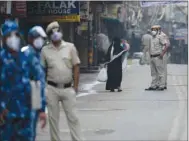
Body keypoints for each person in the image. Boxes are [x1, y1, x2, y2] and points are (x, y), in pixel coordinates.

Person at [0, 20, 46, 140]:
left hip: (25, 113)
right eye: (9, 35)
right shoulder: (1, 59)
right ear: (4, 38)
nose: (13, 38)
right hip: (6, 115)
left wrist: (41, 109)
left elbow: (38, 82)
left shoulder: (26, 57)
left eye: (16, 34)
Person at [41, 21, 83, 141]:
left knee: (73, 118)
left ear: (61, 32)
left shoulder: (70, 47)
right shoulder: (45, 50)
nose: (55, 34)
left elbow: (76, 67)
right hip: (51, 88)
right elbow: (42, 69)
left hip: (68, 88)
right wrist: (43, 88)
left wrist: (75, 86)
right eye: (52, 32)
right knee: (53, 119)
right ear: (49, 35)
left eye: (57, 31)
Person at [22, 25, 47, 140]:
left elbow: (40, 84)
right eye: (38, 37)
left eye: (42, 38)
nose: (40, 40)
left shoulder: (38, 56)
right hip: (24, 103)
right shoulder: (25, 55)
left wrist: (42, 108)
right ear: (30, 38)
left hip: (35, 101)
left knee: (31, 134)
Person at [145, 25, 167, 91]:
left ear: (158, 30)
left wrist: (162, 54)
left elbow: (165, 45)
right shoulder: (151, 38)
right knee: (153, 73)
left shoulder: (160, 37)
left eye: (155, 30)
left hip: (158, 56)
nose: (153, 31)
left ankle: (161, 85)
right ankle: (153, 85)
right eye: (152, 30)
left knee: (160, 72)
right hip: (152, 57)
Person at [158, 25, 170, 89]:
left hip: (162, 53)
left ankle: (162, 84)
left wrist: (162, 53)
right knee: (162, 69)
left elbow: (167, 45)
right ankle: (162, 83)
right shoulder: (161, 36)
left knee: (162, 69)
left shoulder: (163, 35)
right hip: (161, 53)